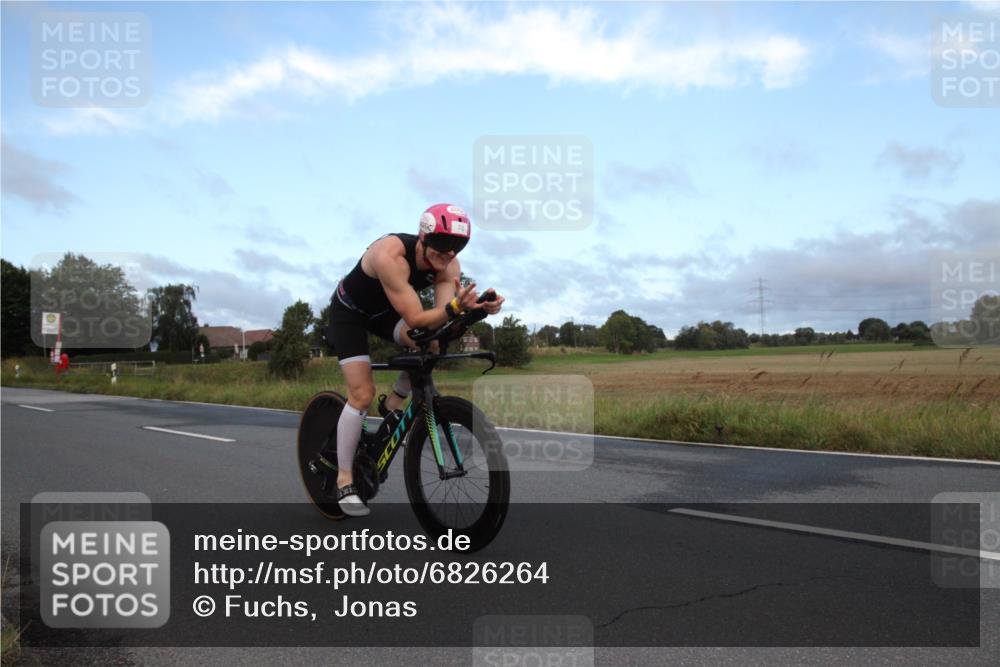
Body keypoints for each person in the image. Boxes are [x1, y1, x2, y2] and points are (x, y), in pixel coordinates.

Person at [326, 203, 504, 516]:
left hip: (384, 314)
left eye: (457, 247)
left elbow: (438, 326)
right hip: (350, 313)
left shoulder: (449, 264)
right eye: (443, 245)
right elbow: (417, 317)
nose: (449, 254)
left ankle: (394, 402)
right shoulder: (390, 255)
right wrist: (454, 308)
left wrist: (476, 311)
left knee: (431, 346)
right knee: (361, 394)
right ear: (423, 237)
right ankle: (344, 479)